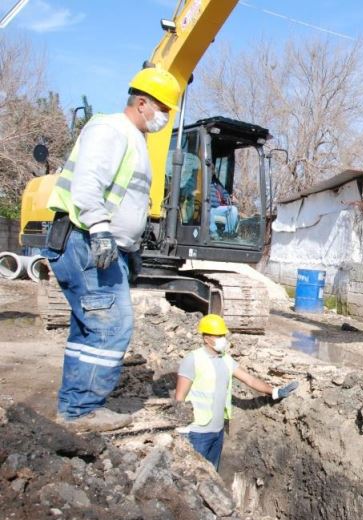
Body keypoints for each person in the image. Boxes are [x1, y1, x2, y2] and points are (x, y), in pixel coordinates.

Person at [43, 67, 181, 432]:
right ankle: (82, 411)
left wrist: (131, 248)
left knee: (89, 329)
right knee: (111, 326)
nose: (165, 118)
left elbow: (126, 201)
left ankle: (74, 406)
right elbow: (88, 186)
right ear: (142, 102)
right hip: (85, 240)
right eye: (163, 109)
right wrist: (103, 234)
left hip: (101, 244)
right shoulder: (110, 130)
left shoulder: (135, 140)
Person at [175, 314, 299, 470]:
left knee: (212, 478)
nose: (222, 339)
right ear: (206, 338)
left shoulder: (225, 359)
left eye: (223, 335)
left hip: (217, 431)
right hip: (197, 432)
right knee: (193, 477)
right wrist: (181, 429)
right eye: (218, 335)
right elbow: (179, 397)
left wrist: (275, 391)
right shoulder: (193, 359)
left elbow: (250, 380)